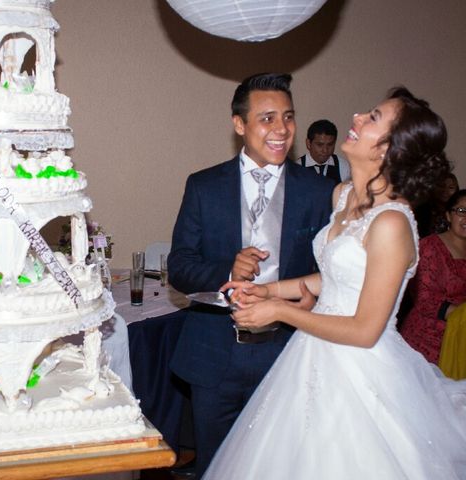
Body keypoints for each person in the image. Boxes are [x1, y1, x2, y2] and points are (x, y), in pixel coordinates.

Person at [203, 87, 466, 479]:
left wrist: (279, 311)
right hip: (313, 353)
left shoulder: (392, 223)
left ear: (389, 150)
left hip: (361, 371)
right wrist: (271, 290)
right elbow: (335, 279)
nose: (358, 117)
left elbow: (364, 330)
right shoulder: (342, 196)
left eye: (373, 117)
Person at [167, 73, 335, 478]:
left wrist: (310, 296)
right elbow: (180, 266)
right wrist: (226, 269)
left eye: (289, 118)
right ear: (239, 124)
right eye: (268, 118)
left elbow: (330, 271)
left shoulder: (317, 191)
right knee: (216, 466)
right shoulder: (204, 186)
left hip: (287, 353)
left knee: (281, 466)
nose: (282, 130)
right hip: (215, 357)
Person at [400, 189, 466, 363]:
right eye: (461, 211)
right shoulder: (430, 246)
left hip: (461, 339)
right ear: (448, 215)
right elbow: (425, 299)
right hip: (427, 342)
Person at [297, 119, 351, 183]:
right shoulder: (297, 167)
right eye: (320, 145)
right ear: (308, 143)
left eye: (330, 145)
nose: (325, 150)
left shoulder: (343, 166)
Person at [415, 172, 460, 237]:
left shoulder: (459, 210)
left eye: (451, 188)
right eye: (441, 186)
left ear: (456, 190)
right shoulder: (422, 209)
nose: (445, 191)